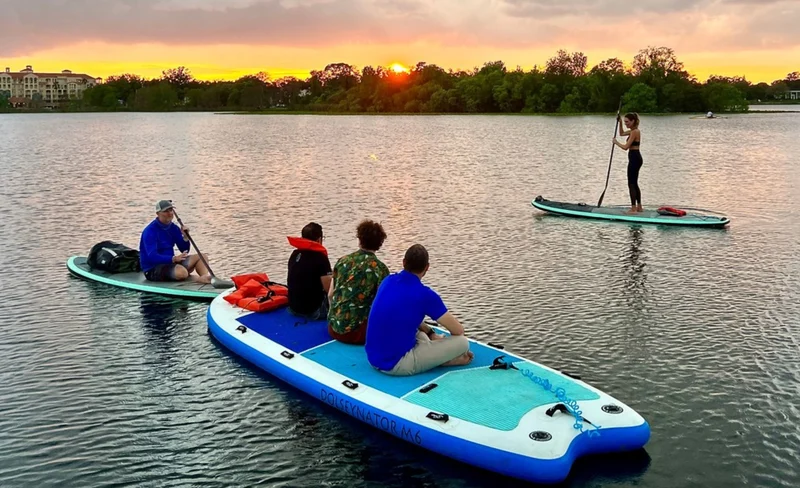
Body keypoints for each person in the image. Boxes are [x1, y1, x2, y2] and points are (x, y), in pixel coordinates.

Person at [365, 244, 473, 376]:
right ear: (427, 267)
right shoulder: (425, 295)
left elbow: (400, 316)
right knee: (462, 343)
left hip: (372, 357)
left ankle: (432, 350)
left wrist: (430, 332)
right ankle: (443, 361)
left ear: (403, 262)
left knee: (421, 335)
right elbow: (458, 331)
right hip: (396, 365)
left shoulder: (388, 280)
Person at [327, 220, 390, 344]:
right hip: (358, 334)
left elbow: (330, 295)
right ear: (380, 243)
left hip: (333, 328)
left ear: (359, 239)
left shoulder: (342, 261)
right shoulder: (380, 269)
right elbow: (384, 305)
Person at [139, 199, 212, 283]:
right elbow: (152, 257)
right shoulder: (150, 231)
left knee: (202, 257)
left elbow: (184, 250)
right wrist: (173, 259)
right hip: (152, 269)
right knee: (182, 273)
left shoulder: (174, 228)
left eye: (170, 210)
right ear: (158, 214)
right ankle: (185, 274)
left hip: (170, 263)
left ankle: (204, 278)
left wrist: (185, 237)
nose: (170, 213)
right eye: (166, 211)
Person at [287, 222, 332, 320]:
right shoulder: (321, 258)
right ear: (319, 239)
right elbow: (329, 289)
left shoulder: (295, 254)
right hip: (313, 311)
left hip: (293, 308)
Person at [613, 112, 643, 214]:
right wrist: (620, 122)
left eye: (627, 122)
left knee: (631, 183)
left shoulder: (634, 132)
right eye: (625, 122)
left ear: (633, 121)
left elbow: (626, 147)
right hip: (635, 158)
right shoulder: (632, 131)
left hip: (635, 158)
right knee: (634, 183)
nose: (626, 124)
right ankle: (639, 207)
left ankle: (633, 208)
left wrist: (616, 142)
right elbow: (621, 133)